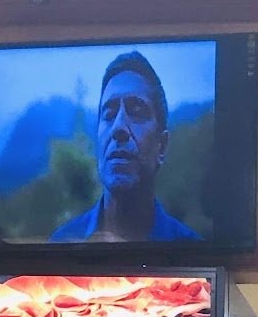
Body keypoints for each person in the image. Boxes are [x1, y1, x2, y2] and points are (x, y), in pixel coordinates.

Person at [50, 51, 200, 242]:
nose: (118, 127)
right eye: (109, 114)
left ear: (162, 146)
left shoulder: (190, 247)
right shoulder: (63, 242)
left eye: (136, 111)